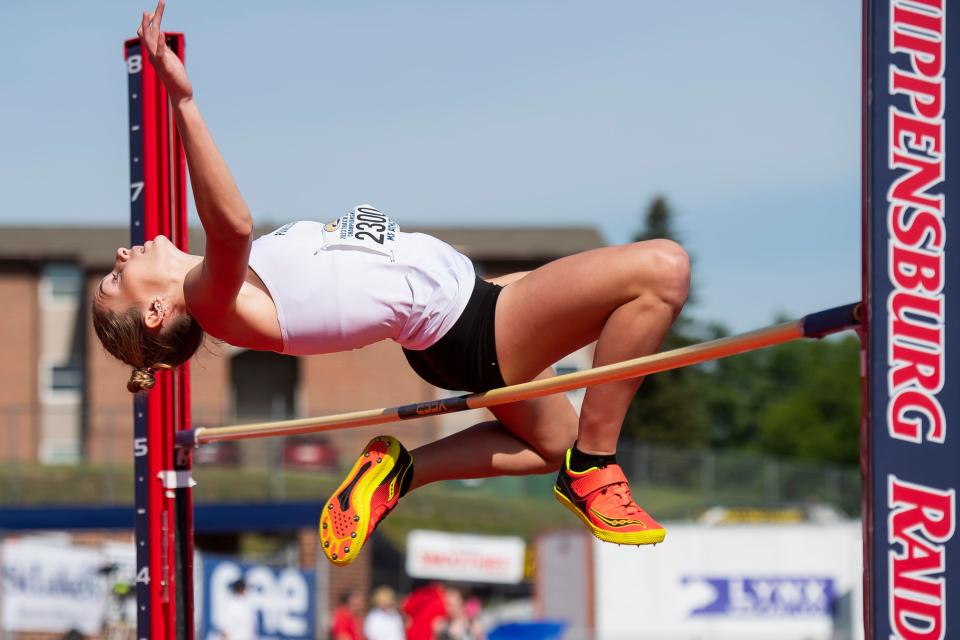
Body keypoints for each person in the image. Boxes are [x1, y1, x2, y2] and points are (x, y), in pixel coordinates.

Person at [97, 1, 690, 567]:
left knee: (546, 449)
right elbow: (231, 226)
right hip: (469, 329)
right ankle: (595, 466)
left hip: (470, 314)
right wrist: (184, 99)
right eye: (115, 277)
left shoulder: (226, 290)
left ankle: (400, 471)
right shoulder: (211, 299)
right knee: (661, 271)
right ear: (154, 312)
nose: (122, 253)